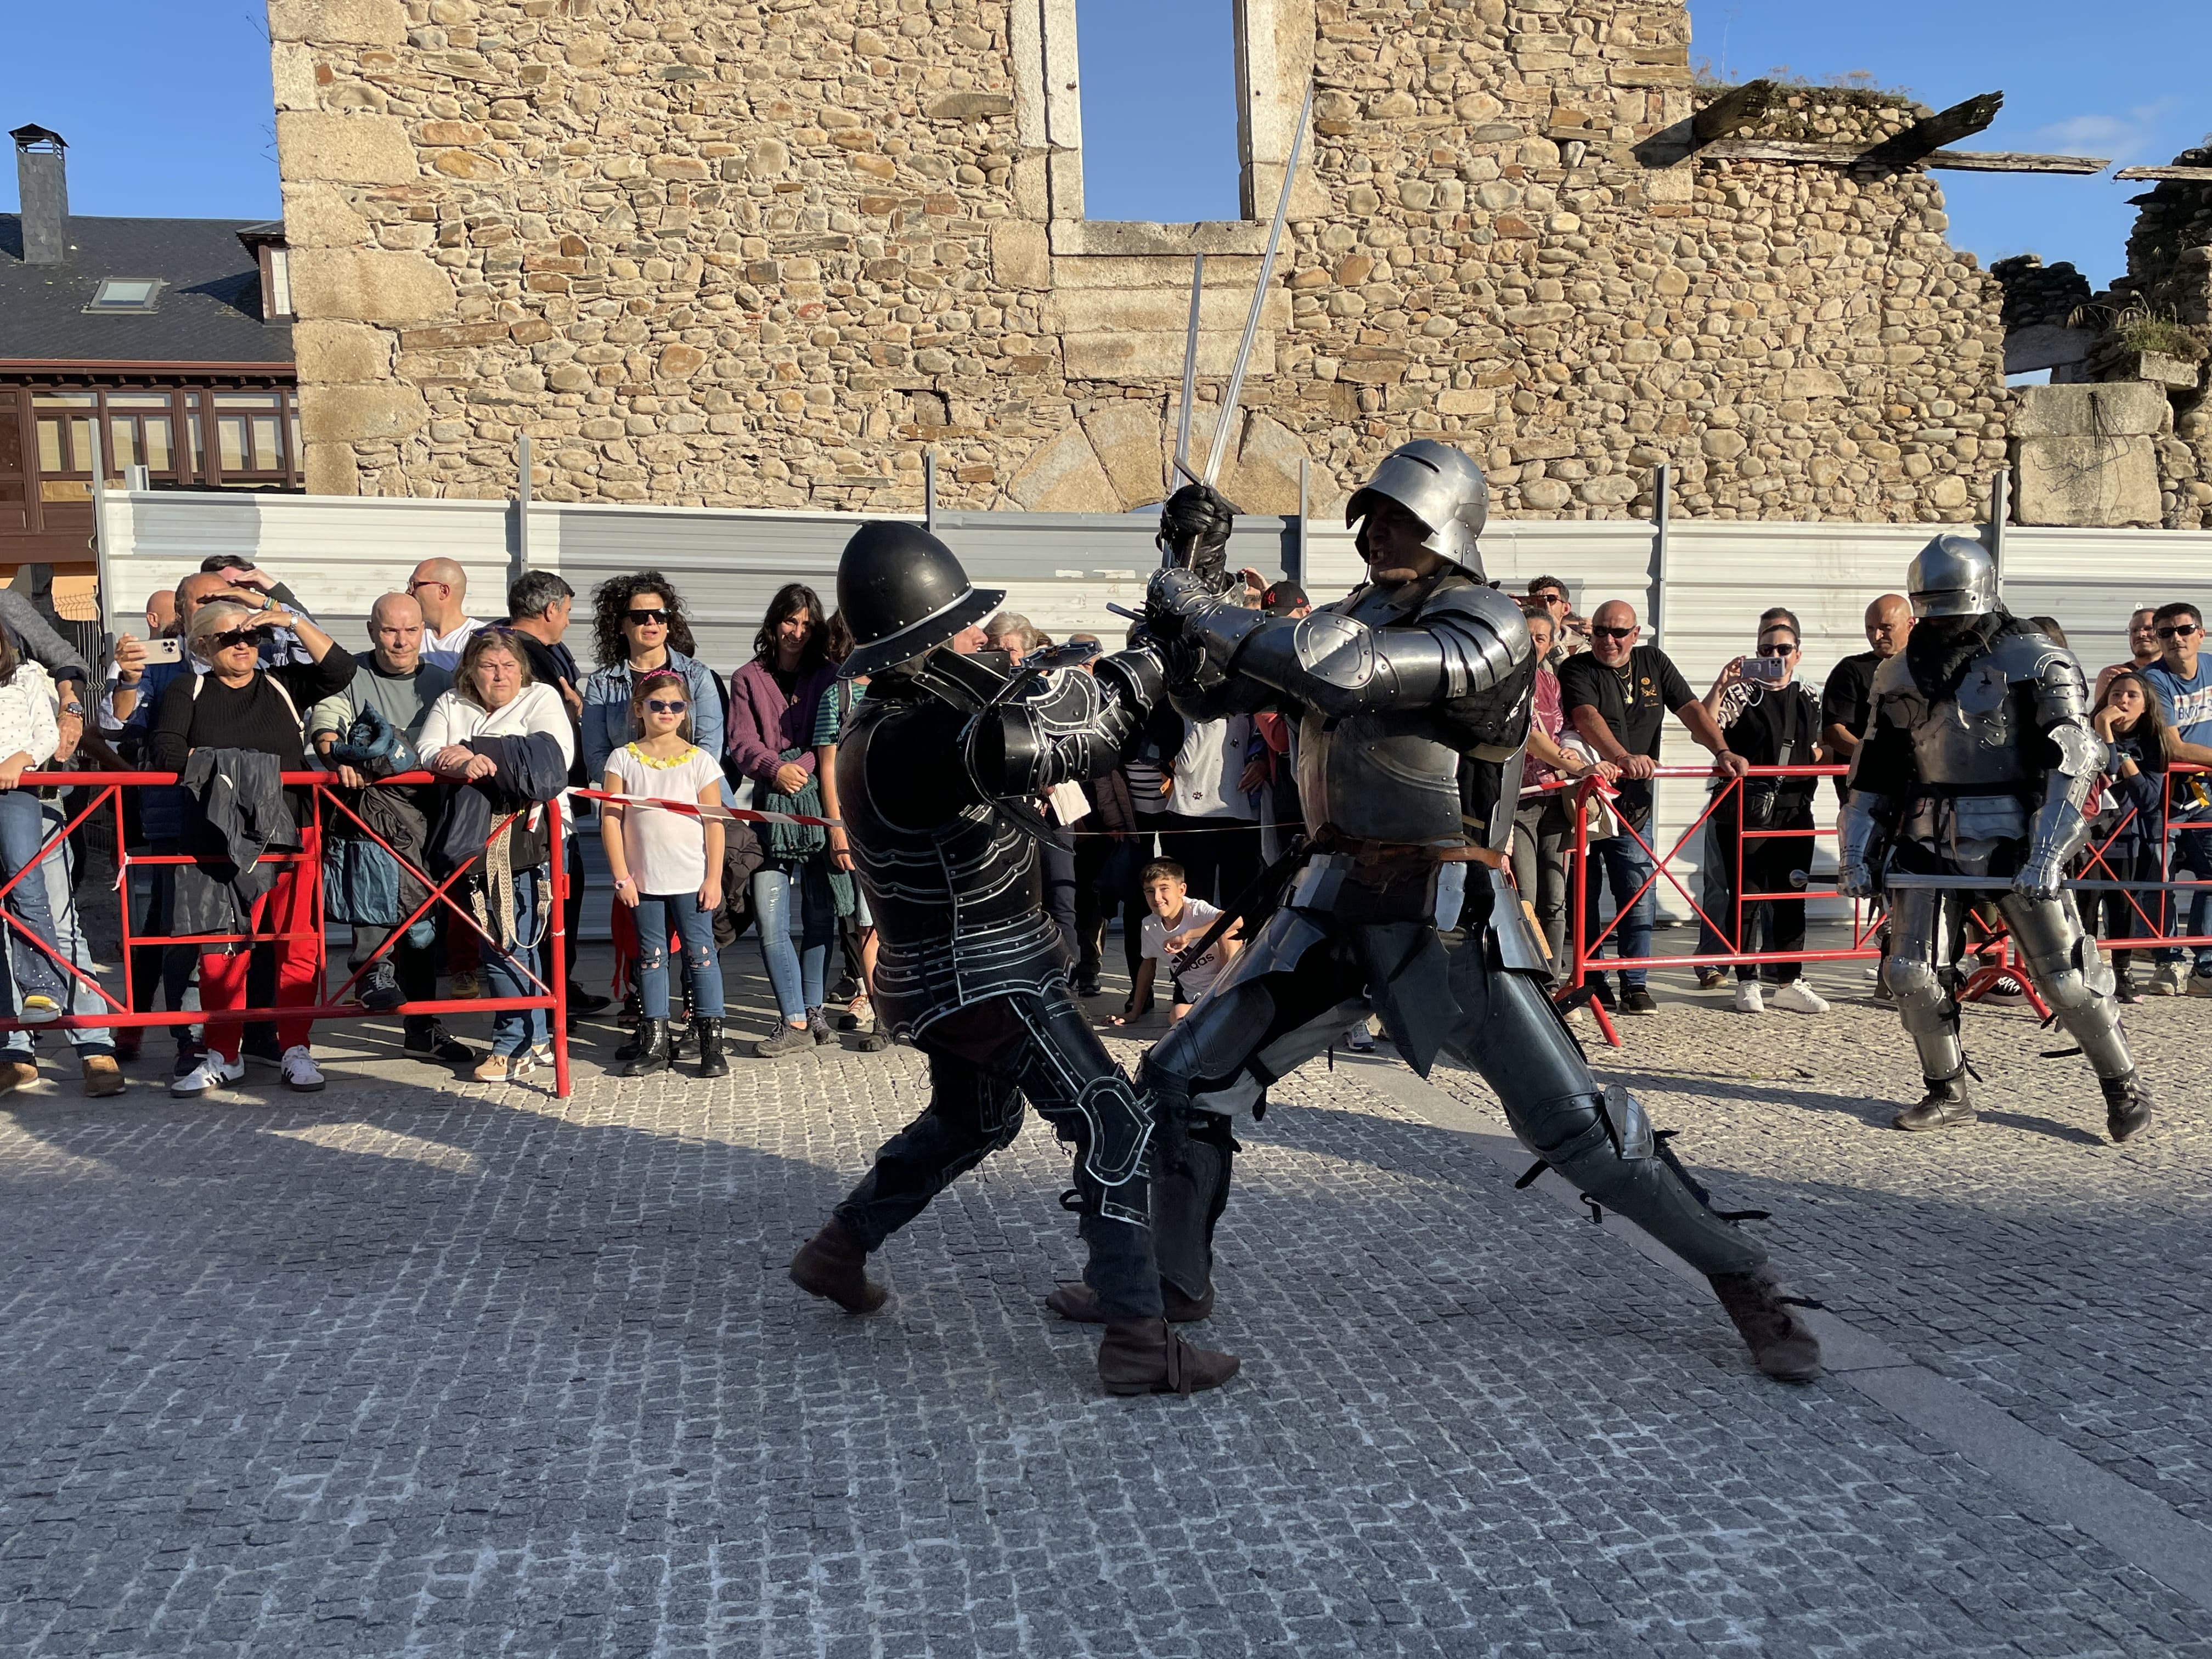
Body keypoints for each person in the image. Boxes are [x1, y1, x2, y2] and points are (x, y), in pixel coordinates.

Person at [1132, 442, 1824, 1383]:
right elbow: (1210, 690)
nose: (1374, 530)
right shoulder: (1348, 614)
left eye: (1395, 515)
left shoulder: (1489, 623)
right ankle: (1167, 1291)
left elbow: (1346, 676)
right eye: (1368, 515)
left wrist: (1203, 601)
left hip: (1446, 911)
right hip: (1329, 900)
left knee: (1577, 1129)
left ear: (1445, 521)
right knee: (1180, 1080)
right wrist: (1189, 572)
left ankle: (1743, 1276)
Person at [788, 520, 1238, 1397]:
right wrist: (1166, 624)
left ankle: (838, 1248)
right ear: (921, 635)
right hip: (989, 971)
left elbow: (1063, 717)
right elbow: (1091, 732)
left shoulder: (892, 724)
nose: (979, 639)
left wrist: (1182, 587)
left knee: (974, 1122)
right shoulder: (920, 735)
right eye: (961, 626)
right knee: (1117, 1122)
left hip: (946, 973)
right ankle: (1139, 1337)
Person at [1839, 534, 2153, 1142]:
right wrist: (1858, 851)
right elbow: (1874, 770)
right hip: (1927, 831)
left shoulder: (2036, 658)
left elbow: (2074, 756)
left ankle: (2122, 1083)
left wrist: (2048, 850)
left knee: (2064, 979)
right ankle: (1947, 1090)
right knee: (1910, 971)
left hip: (2016, 828)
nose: (1943, 620)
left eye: (1951, 606)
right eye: (1931, 608)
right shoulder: (1898, 671)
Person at [151, 594, 356, 1097]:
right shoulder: (188, 687)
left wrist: (290, 620)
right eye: (229, 637)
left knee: (297, 942)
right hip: (218, 840)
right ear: (203, 644)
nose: (244, 645)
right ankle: (223, 1054)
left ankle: (296, 1048)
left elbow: (339, 668)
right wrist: (241, 767)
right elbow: (166, 751)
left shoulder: (282, 685)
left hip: (291, 832)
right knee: (223, 951)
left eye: (251, 635)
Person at [1556, 600, 1748, 1015]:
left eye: (1618, 633)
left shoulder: (1653, 662)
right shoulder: (1576, 668)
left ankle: (1636, 981)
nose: (1609, 640)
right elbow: (1586, 716)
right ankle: (1592, 978)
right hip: (1588, 801)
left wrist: (1722, 750)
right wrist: (1623, 756)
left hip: (1635, 804)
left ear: (1636, 634)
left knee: (1638, 890)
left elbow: (1691, 708)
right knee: (1584, 893)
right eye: (1601, 632)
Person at [306, 594, 467, 1063]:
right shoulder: (349, 674)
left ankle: (423, 1027)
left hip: (428, 816)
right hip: (368, 816)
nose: (401, 641)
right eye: (391, 630)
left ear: (424, 631)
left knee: (423, 928)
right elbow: (325, 724)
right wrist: (336, 752)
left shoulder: (443, 681)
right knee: (375, 897)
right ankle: (371, 969)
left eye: (410, 630)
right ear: (373, 629)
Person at [419, 629, 575, 1082]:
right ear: (472, 670)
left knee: (514, 935)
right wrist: (458, 762)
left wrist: (476, 751)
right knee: (499, 937)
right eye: (489, 666)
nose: (500, 675)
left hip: (531, 835)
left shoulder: (541, 696)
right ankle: (537, 1036)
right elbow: (428, 750)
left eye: (509, 666)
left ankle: (512, 1041)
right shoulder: (452, 703)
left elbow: (553, 759)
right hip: (475, 837)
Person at [726, 583, 840, 1057]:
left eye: (805, 624)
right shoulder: (747, 678)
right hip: (772, 811)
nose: (796, 632)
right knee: (771, 921)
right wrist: (777, 769)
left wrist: (805, 769)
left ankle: (812, 1011)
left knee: (820, 917)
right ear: (773, 624)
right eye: (789, 622)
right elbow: (740, 741)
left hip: (818, 807)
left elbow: (833, 737)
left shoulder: (830, 676)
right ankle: (791, 1017)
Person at [1697, 614, 1828, 1014]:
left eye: (1783, 650)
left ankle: (1790, 979)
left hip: (1795, 810)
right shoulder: (1741, 693)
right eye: (1766, 650)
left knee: (1792, 893)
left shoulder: (1810, 695)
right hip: (1747, 810)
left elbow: (1822, 744)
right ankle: (1747, 979)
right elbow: (1702, 727)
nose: (1774, 657)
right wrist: (1722, 684)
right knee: (1748, 896)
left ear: (1798, 654)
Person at [601, 670, 728, 1077]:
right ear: (640, 709)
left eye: (676, 705)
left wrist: (713, 878)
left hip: (691, 879)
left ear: (686, 710)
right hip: (645, 880)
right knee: (651, 958)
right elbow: (610, 819)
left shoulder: (699, 760)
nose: (667, 712)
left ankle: (711, 1041)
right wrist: (622, 875)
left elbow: (714, 823)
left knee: (701, 955)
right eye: (657, 705)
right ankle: (655, 1041)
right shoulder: (622, 759)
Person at [505, 570, 608, 1020]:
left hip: (556, 799)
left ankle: (560, 987)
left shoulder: (548, 652)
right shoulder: (515, 655)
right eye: (566, 612)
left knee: (568, 893)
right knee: (549, 898)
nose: (568, 621)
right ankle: (545, 1002)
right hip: (534, 805)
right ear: (550, 610)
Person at [2087, 672, 2212, 1002]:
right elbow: (2106, 769)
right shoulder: (2088, 735)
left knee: (2122, 906)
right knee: (2085, 904)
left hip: (2128, 836)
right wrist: (2103, 731)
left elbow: (2146, 796)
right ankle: (2084, 974)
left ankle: (2122, 972)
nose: (2123, 702)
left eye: (2131, 696)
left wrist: (2123, 757)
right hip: (2090, 835)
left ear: (2145, 706)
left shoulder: (2152, 743)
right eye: (2116, 694)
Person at [1513, 606, 1608, 979]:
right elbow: (1531, 739)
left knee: (1556, 898)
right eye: (1528, 637)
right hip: (1518, 800)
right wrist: (1578, 767)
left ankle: (1551, 978)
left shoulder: (1551, 683)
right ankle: (1528, 977)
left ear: (1551, 644)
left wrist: (1571, 748)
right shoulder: (1504, 682)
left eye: (1541, 638)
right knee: (1527, 897)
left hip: (1554, 796)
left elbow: (1563, 728)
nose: (1534, 644)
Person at [814, 614, 889, 1051]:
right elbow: (827, 766)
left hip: (904, 825)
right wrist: (836, 828)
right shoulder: (837, 697)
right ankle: (881, 1013)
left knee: (893, 923)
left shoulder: (907, 692)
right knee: (867, 922)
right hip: (861, 826)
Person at [2139, 601, 2212, 997]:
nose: (2175, 639)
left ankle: (2206, 965)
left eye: (2183, 630)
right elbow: (2173, 747)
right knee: (2159, 877)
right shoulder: (2153, 680)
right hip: (2162, 792)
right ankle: (2168, 962)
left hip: (2205, 790)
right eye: (2164, 633)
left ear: (2201, 633)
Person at [0, 637, 70, 1029]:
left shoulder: (24, 677)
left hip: (16, 791)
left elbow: (47, 734)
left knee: (26, 884)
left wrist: (21, 758)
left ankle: (42, 988)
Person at [1125, 858, 1239, 1025]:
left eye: (1164, 889)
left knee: (1227, 930)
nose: (1157, 898)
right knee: (1177, 1013)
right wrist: (1134, 1013)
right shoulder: (1149, 926)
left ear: (1181, 890)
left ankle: (1234, 1001)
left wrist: (1189, 935)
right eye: (1150, 891)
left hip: (1228, 986)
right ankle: (1216, 1024)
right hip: (1199, 998)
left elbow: (1237, 920)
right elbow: (1148, 967)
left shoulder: (1196, 909)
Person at [406, 558, 486, 671]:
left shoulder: (479, 638)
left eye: (415, 585)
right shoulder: (410, 634)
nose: (408, 592)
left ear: (443, 591)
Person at [2093, 606, 2161, 703]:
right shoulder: (2113, 674)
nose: (2141, 634)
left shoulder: (2176, 673)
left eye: (2149, 628)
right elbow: (2102, 716)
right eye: (2134, 631)